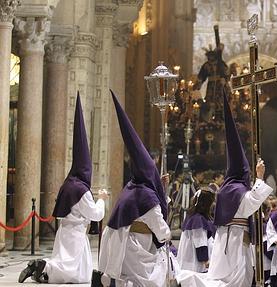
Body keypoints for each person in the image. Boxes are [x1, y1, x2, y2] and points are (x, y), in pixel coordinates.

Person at [176, 89, 273, 287]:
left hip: (229, 240)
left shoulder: (226, 188)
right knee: (233, 282)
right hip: (235, 242)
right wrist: (260, 178)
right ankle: (187, 280)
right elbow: (248, 205)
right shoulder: (235, 189)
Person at [19, 95, 107, 284]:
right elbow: (96, 214)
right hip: (74, 234)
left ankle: (42, 271)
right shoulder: (81, 190)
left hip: (65, 232)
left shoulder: (68, 183)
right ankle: (43, 265)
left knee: (78, 274)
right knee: (68, 270)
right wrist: (101, 198)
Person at [97, 91, 177, 287]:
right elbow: (159, 225)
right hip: (135, 247)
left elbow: (147, 210)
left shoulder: (132, 187)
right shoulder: (146, 195)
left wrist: (161, 189)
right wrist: (168, 236)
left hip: (123, 245)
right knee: (158, 275)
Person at [178, 188, 216, 273]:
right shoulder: (198, 220)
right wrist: (205, 260)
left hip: (189, 260)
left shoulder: (192, 215)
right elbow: (200, 242)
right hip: (194, 263)